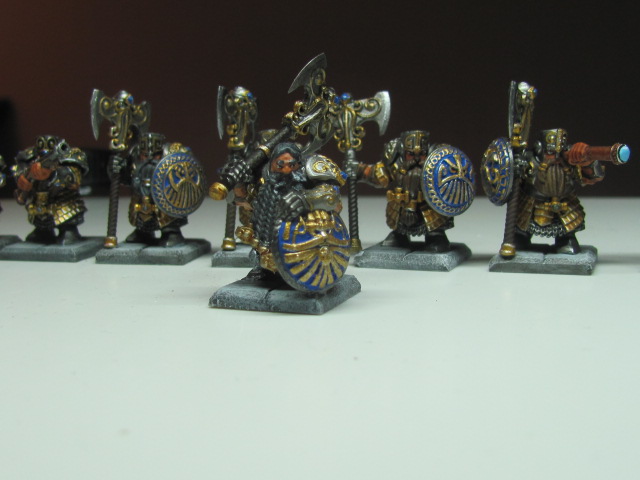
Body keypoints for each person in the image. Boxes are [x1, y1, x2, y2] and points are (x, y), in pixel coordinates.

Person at [13, 135, 88, 244]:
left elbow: (74, 178)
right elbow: (19, 169)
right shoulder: (30, 156)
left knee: (66, 216)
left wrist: (52, 174)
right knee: (40, 218)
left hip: (63, 200)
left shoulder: (68, 154)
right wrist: (23, 179)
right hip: (38, 200)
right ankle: (43, 232)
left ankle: (68, 231)